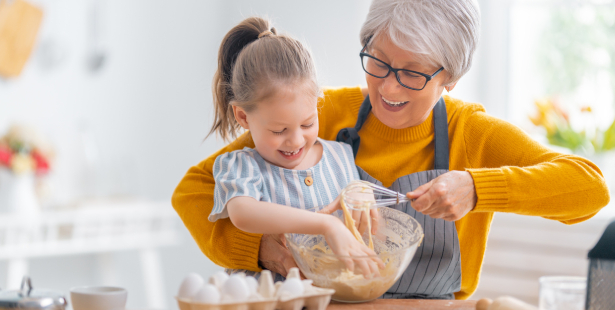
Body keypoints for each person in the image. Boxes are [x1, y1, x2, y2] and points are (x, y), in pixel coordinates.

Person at [173, 0, 610, 300]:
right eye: (378, 62)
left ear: (450, 78)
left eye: (412, 74)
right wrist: (260, 249)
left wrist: (478, 188)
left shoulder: (470, 133)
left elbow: (589, 188)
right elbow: (193, 191)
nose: (388, 87)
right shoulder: (321, 115)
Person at [203, 16, 383, 282]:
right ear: (243, 117)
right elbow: (244, 214)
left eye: (308, 123)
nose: (296, 141)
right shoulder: (240, 166)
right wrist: (326, 224)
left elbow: (363, 223)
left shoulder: (341, 156)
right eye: (279, 130)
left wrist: (361, 192)